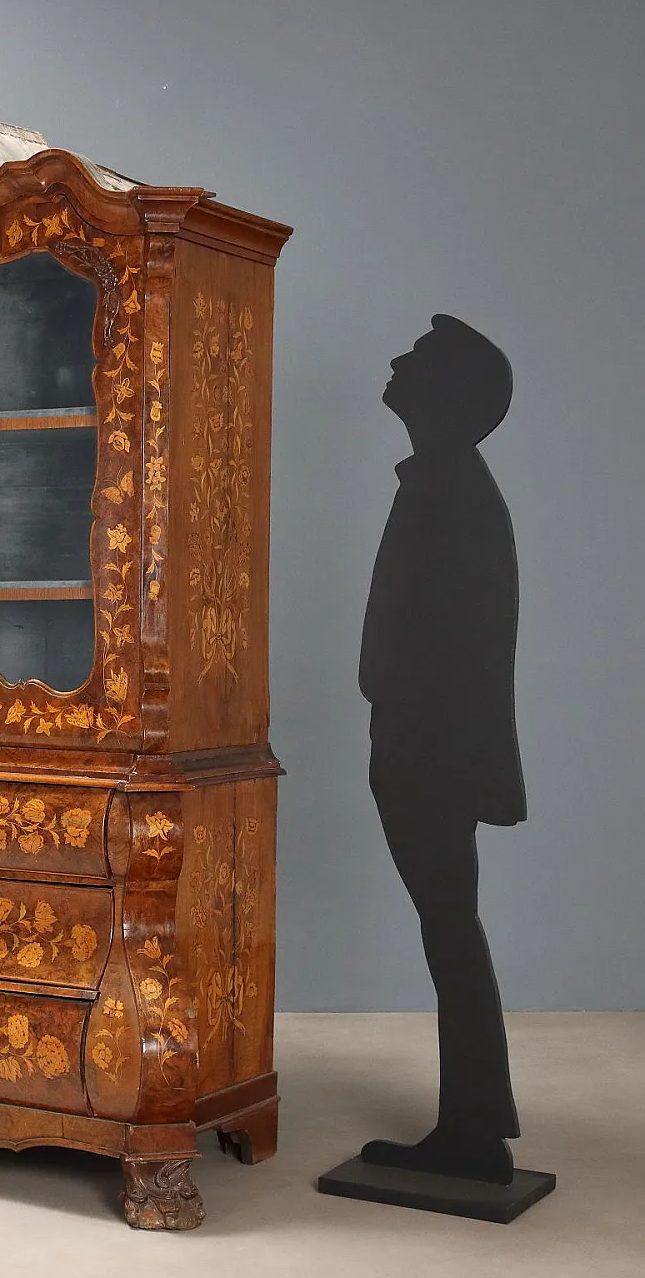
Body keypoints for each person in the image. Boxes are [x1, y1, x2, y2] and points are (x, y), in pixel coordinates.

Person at [358, 314, 525, 1184]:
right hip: (423, 741)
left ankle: (471, 1127)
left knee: (450, 929)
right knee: (451, 927)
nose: (397, 360)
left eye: (417, 359)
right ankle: (474, 1118)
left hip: (431, 749)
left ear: (449, 394)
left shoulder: (453, 489)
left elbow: (470, 639)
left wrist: (423, 740)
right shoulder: (445, 482)